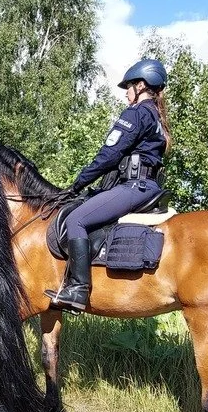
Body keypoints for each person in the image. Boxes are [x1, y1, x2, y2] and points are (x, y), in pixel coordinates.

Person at [46, 58, 171, 311]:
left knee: (76, 220)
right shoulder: (157, 118)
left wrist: (77, 184)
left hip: (134, 187)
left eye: (128, 87)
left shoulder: (136, 114)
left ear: (141, 85)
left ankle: (78, 289)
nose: (126, 93)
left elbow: (109, 155)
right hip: (149, 187)